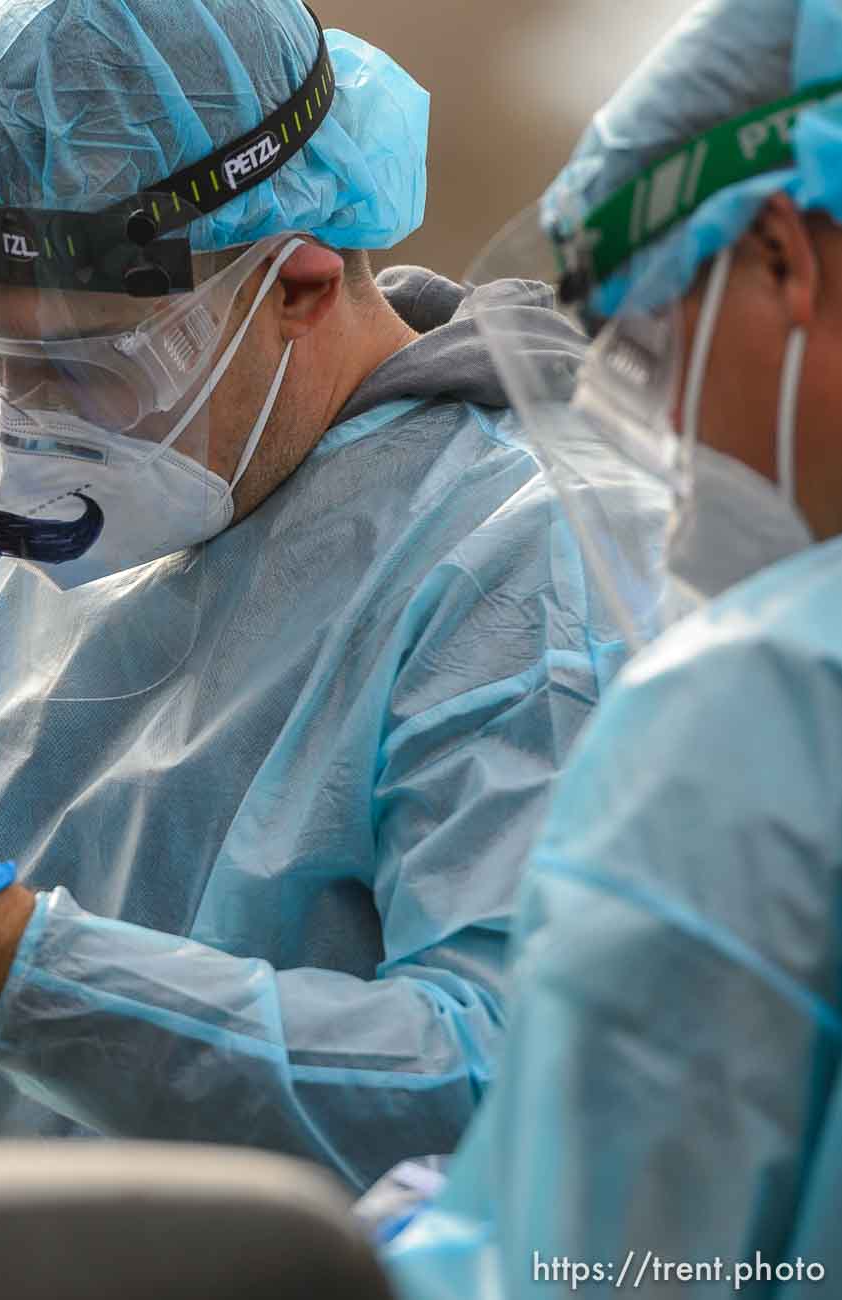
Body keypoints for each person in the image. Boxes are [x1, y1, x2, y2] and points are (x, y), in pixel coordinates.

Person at [0, 0, 640, 1204]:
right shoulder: (54, 575)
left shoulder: (519, 564)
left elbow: (507, 1094)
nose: (29, 435)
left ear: (296, 279)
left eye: (82, 366)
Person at [380, 0, 842, 1292]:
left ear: (778, 258)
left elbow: (591, 1271)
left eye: (647, 351)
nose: (660, 441)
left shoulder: (762, 706)